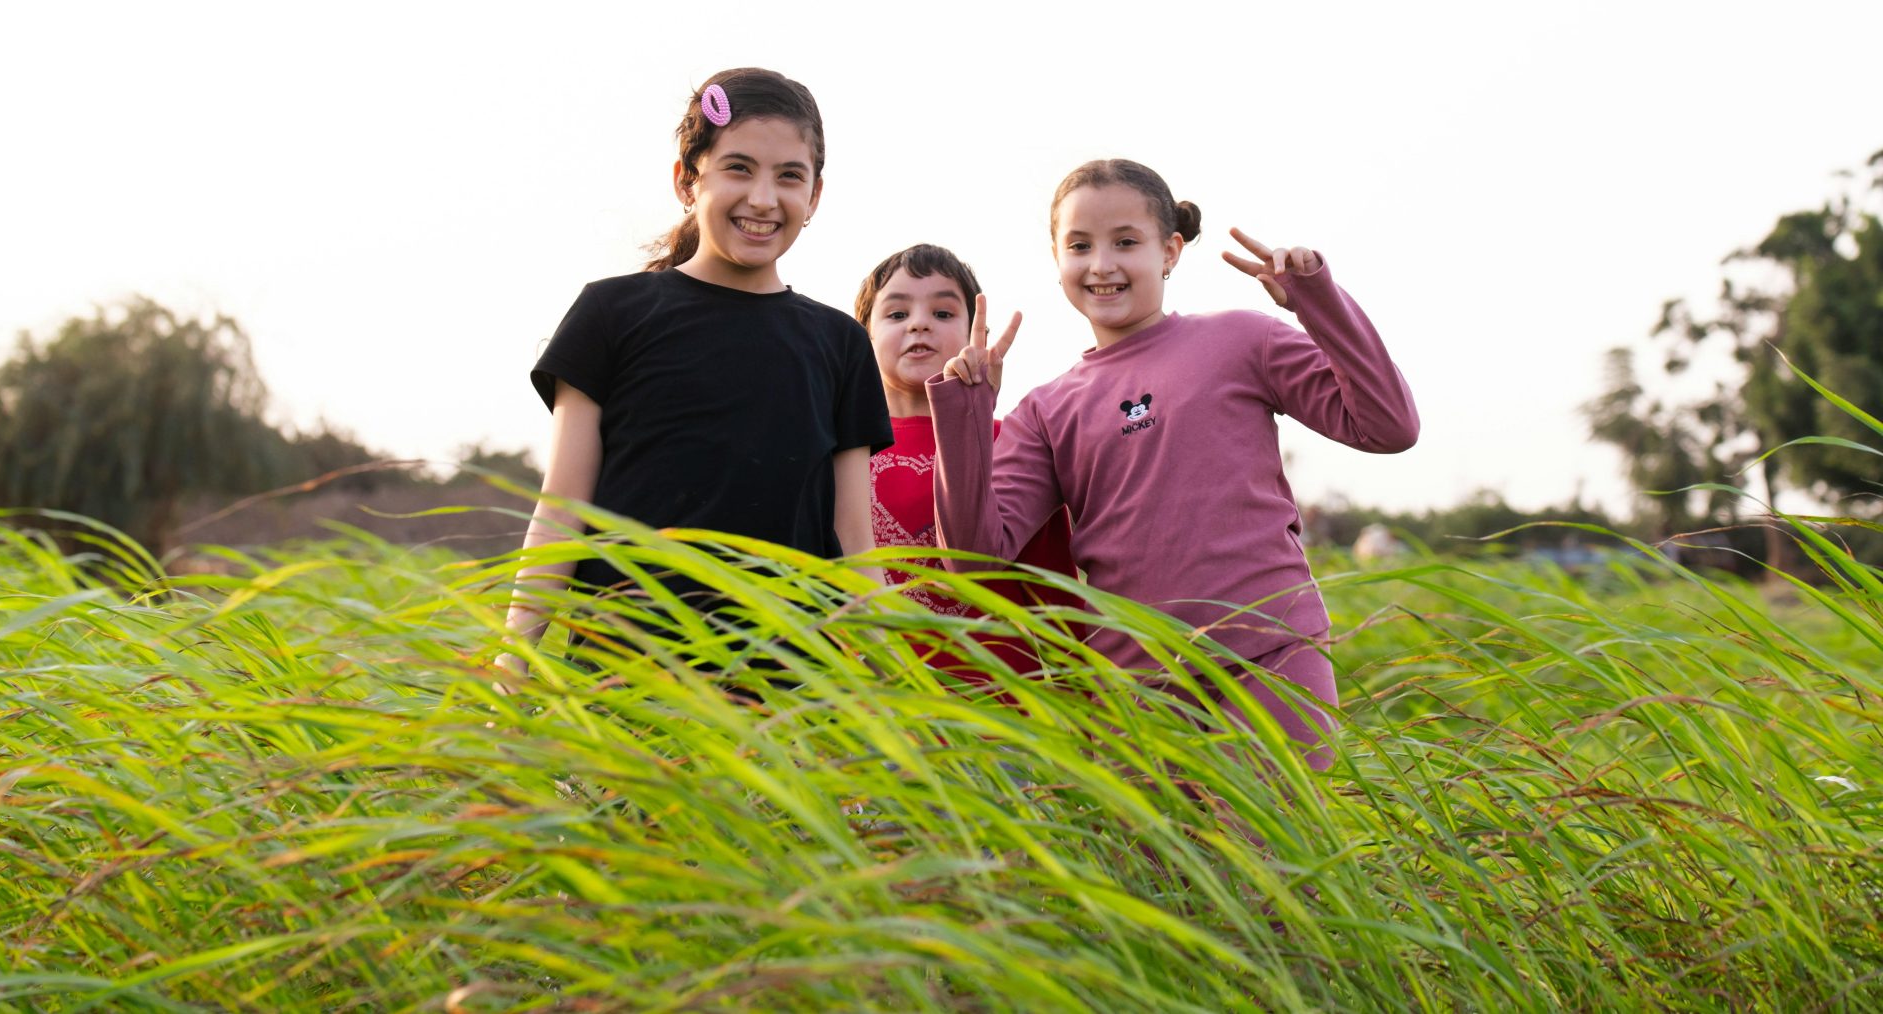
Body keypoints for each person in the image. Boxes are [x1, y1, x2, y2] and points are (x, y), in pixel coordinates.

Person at [928, 159, 1419, 767]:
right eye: (1079, 246)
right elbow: (976, 556)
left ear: (1170, 251)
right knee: (1161, 866)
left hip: (1272, 655)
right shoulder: (1046, 410)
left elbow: (1388, 427)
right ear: (1056, 261)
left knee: (1271, 856)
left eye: (1126, 242)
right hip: (1138, 689)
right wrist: (966, 413)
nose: (1102, 264)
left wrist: (1318, 302)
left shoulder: (1244, 340)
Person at [501, 68, 890, 679]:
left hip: (791, 693)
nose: (763, 198)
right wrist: (514, 662)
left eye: (790, 176)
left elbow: (853, 539)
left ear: (814, 197)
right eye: (738, 168)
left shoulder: (839, 342)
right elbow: (562, 510)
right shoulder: (611, 313)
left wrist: (890, 678)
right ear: (687, 179)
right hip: (625, 679)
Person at [854, 244, 1077, 619]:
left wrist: (1074, 674)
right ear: (863, 336)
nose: (919, 324)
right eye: (897, 313)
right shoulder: (844, 449)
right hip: (873, 672)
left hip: (1002, 675)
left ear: (979, 335)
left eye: (942, 313)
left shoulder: (1015, 441)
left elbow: (1054, 589)